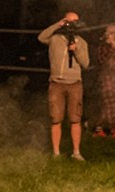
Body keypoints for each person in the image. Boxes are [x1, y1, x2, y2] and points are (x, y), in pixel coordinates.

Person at [39, 12, 91, 159]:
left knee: (75, 118)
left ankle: (76, 152)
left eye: (75, 22)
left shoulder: (81, 42)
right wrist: (58, 24)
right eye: (70, 22)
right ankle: (56, 152)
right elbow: (41, 37)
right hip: (57, 83)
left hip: (74, 83)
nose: (72, 26)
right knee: (56, 118)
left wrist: (76, 51)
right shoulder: (55, 39)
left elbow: (86, 63)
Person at [94, 24, 115, 140]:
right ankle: (113, 130)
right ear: (107, 35)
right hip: (105, 78)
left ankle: (98, 129)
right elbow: (104, 62)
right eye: (112, 33)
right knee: (110, 104)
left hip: (112, 78)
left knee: (106, 105)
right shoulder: (103, 47)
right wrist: (112, 49)